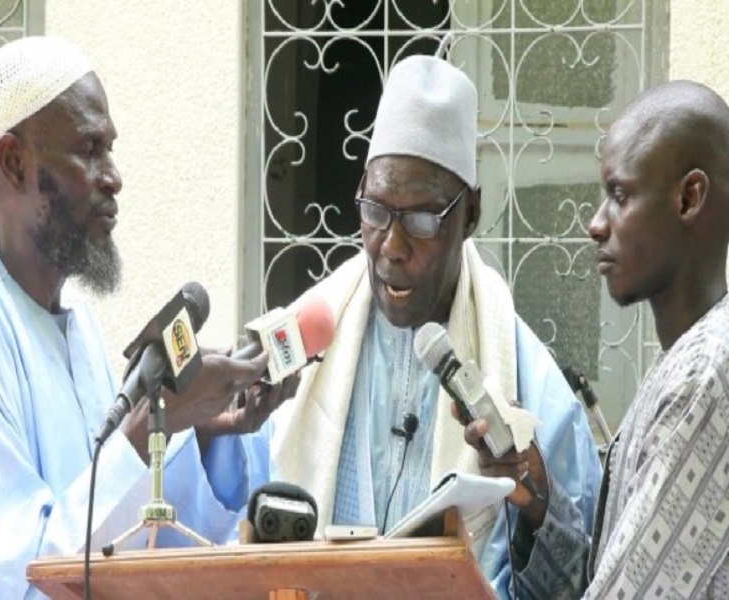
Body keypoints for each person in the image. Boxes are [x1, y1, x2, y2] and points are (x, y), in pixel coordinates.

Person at [0, 36, 289, 599]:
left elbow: (140, 543)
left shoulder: (81, 331)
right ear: (13, 161)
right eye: (89, 149)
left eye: (110, 149)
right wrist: (148, 428)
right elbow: (18, 580)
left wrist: (199, 425)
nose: (113, 176)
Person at [268, 50, 602, 598]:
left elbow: (573, 583)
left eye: (423, 219)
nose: (391, 248)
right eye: (375, 211)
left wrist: (535, 502)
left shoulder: (529, 389)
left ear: (469, 213)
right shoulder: (306, 347)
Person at [466, 80, 729, 598]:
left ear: (689, 198)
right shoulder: (688, 360)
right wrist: (536, 495)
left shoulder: (709, 372)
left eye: (620, 194)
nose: (595, 223)